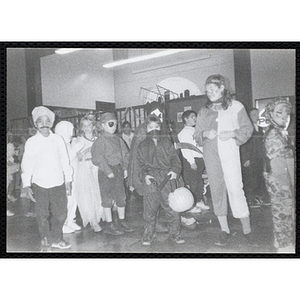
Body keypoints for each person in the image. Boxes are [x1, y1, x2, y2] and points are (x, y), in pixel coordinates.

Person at [194, 74, 255, 246]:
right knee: (217, 190)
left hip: (230, 153)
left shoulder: (236, 106)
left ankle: (247, 230)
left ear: (222, 88)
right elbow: (197, 135)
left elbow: (247, 128)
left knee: (236, 189)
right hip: (211, 156)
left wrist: (233, 133)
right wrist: (205, 133)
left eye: (213, 89)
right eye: (207, 91)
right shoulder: (204, 111)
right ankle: (224, 230)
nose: (210, 93)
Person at [21, 106, 73, 251]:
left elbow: (65, 160)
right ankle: (45, 238)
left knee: (61, 213)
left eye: (47, 121)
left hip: (58, 183)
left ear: (51, 123)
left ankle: (57, 238)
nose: (44, 124)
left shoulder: (58, 139)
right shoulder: (31, 142)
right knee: (42, 214)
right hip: (40, 184)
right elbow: (27, 164)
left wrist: (68, 180)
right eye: (40, 121)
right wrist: (26, 184)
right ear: (35, 124)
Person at [137, 114, 185, 246]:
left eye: (156, 126)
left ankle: (175, 233)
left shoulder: (166, 142)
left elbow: (175, 159)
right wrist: (145, 176)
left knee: (171, 208)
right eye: (150, 127)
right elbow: (139, 165)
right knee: (150, 210)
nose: (154, 129)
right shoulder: (142, 145)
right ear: (146, 128)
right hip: (151, 179)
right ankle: (148, 233)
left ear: (160, 127)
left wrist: (175, 170)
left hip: (166, 178)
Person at [91, 112, 134, 235]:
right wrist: (108, 171)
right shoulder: (100, 140)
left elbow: (126, 154)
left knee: (121, 197)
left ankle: (122, 221)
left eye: (115, 124)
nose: (113, 126)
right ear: (103, 125)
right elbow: (97, 158)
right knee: (107, 198)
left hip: (118, 170)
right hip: (106, 172)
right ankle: (109, 224)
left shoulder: (118, 139)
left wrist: (125, 168)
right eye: (110, 124)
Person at [262, 99, 294, 252]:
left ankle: (281, 242)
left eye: (286, 113)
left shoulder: (280, 131)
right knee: (283, 211)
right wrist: (285, 185)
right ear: (270, 115)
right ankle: (284, 246)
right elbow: (277, 163)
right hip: (279, 180)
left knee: (283, 211)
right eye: (279, 113)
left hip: (282, 178)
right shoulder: (274, 133)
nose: (284, 116)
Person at [72, 114, 104, 233]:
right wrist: (87, 150)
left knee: (98, 193)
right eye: (84, 126)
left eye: (89, 125)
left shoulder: (98, 138)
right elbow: (78, 156)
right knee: (88, 195)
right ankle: (92, 220)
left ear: (93, 126)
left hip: (97, 168)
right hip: (85, 168)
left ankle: (99, 215)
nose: (86, 128)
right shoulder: (79, 139)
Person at [55, 121, 84, 234]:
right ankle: (62, 224)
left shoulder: (68, 142)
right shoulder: (60, 143)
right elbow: (66, 158)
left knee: (74, 200)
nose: (72, 132)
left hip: (75, 176)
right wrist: (76, 148)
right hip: (67, 178)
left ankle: (71, 220)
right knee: (67, 201)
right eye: (70, 130)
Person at [178, 110, 210, 213]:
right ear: (185, 119)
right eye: (192, 117)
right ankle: (191, 206)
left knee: (199, 182)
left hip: (200, 159)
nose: (195, 118)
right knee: (193, 183)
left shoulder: (195, 130)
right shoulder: (183, 133)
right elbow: (185, 149)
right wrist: (191, 162)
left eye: (195, 116)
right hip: (191, 161)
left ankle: (199, 201)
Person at [241, 108, 270, 207]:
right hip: (250, 158)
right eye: (253, 114)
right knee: (250, 179)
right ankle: (250, 200)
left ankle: (260, 198)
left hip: (260, 158)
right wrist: (245, 158)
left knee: (260, 178)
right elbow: (243, 144)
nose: (256, 116)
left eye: (257, 114)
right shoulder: (247, 128)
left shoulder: (261, 128)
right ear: (249, 116)